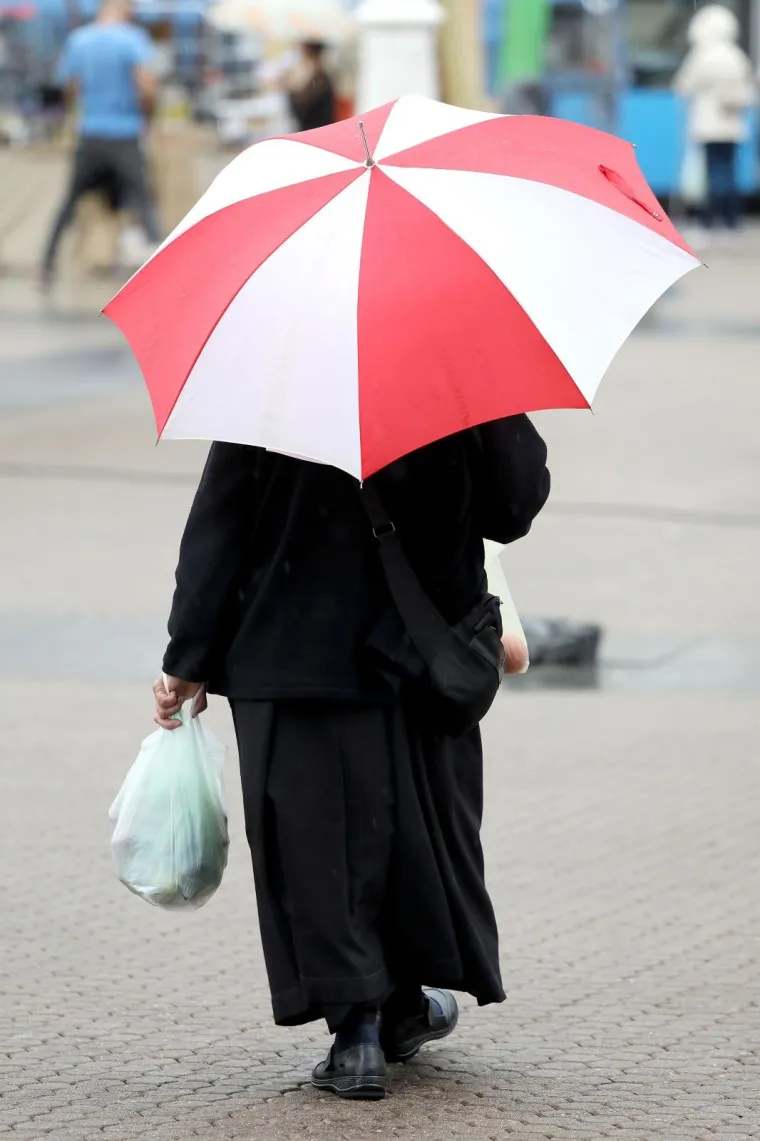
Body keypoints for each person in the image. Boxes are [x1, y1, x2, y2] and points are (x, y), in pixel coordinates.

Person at [153, 416, 550, 1101]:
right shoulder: (455, 376)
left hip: (291, 653)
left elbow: (222, 521)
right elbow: (512, 507)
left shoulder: (276, 375)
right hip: (418, 655)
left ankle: (358, 1032)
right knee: (413, 833)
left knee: (316, 847)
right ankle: (399, 1004)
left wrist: (188, 658)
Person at [40, 0, 160, 287]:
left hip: (91, 131)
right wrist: (147, 115)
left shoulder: (79, 39)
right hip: (125, 132)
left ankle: (46, 265)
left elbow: (70, 86)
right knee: (143, 202)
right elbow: (146, 84)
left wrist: (82, 110)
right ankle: (163, 268)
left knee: (70, 201)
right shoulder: (133, 38)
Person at [674, 4, 755, 240]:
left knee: (713, 174)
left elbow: (683, 86)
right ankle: (732, 221)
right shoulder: (736, 55)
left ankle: (709, 223)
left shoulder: (703, 55)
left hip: (709, 126)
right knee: (728, 172)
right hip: (733, 126)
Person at [287, 40, 337, 132]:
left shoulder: (319, 80)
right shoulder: (320, 77)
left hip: (316, 132)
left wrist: (292, 90)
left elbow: (302, 112)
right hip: (316, 131)